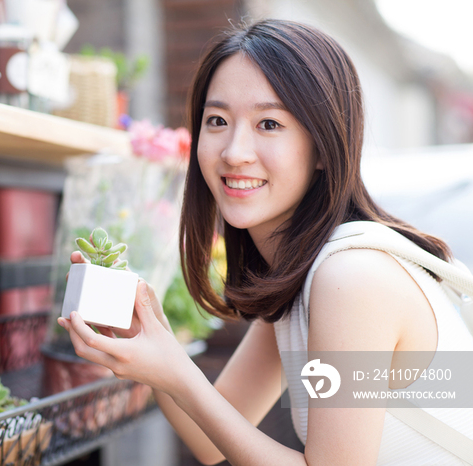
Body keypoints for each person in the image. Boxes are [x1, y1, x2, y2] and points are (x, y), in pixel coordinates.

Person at [58, 19, 473, 465]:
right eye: (217, 120)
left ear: (322, 146)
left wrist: (177, 372)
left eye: (269, 124)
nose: (235, 151)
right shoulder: (302, 276)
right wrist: (150, 344)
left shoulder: (352, 277)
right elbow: (211, 440)